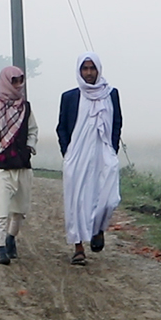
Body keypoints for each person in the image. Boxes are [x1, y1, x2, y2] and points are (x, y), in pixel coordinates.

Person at [57, 52, 123, 266]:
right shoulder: (70, 97)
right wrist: (68, 153)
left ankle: (98, 229)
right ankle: (78, 248)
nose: (88, 73)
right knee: (77, 201)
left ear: (98, 70)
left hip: (103, 154)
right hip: (77, 157)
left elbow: (117, 123)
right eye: (84, 69)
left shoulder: (111, 94)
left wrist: (112, 148)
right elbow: (62, 128)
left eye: (92, 68)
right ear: (79, 71)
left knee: (108, 198)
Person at [0, 65, 38, 265]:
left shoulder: (26, 108)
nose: (18, 84)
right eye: (14, 80)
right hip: (2, 168)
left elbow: (33, 130)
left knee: (20, 211)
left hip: (23, 166)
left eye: (20, 80)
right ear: (5, 81)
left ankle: (11, 238)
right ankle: (0, 248)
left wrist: (29, 147)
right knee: (1, 211)